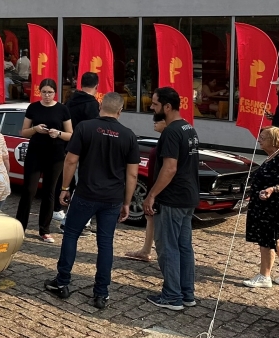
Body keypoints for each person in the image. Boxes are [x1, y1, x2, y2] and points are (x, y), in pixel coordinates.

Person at [45, 92, 139, 309]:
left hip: (86, 193)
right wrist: (126, 202)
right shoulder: (128, 135)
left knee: (71, 235)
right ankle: (101, 293)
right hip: (112, 198)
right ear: (120, 111)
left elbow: (71, 161)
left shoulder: (85, 128)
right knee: (105, 243)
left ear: (100, 106)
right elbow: (132, 174)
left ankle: (62, 282)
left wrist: (65, 188)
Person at [143, 86, 200, 311]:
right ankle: (187, 294)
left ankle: (172, 296)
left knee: (168, 247)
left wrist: (152, 195)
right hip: (187, 196)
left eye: (155, 104)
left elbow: (170, 168)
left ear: (167, 106)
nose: (151, 107)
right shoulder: (189, 128)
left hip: (172, 198)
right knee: (184, 246)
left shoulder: (171, 132)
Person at [15, 78, 73, 242]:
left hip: (55, 154)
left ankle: (44, 230)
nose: (47, 95)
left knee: (49, 191)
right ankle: (20, 226)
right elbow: (24, 132)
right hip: (35, 152)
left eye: (50, 92)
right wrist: (35, 129)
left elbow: (71, 134)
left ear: (55, 93)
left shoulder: (62, 109)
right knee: (29, 190)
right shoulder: (33, 107)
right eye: (44, 92)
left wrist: (58, 133)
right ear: (39, 92)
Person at [242, 126, 279, 288]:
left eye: (263, 138)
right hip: (262, 206)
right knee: (275, 241)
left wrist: (273, 189)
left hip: (273, 207)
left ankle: (265, 276)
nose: (259, 140)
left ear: (274, 140)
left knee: (268, 241)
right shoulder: (272, 156)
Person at [57, 71, 102, 226]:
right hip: (84, 151)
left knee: (71, 184)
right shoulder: (92, 105)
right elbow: (94, 130)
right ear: (97, 86)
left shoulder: (69, 100)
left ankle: (77, 219)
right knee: (81, 187)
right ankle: (70, 221)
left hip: (67, 147)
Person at [124, 117, 168, 262]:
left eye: (158, 119)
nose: (154, 121)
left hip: (161, 189)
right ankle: (146, 250)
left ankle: (167, 260)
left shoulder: (170, 140)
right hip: (153, 184)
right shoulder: (163, 139)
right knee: (150, 218)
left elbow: (169, 169)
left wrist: (154, 194)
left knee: (164, 225)